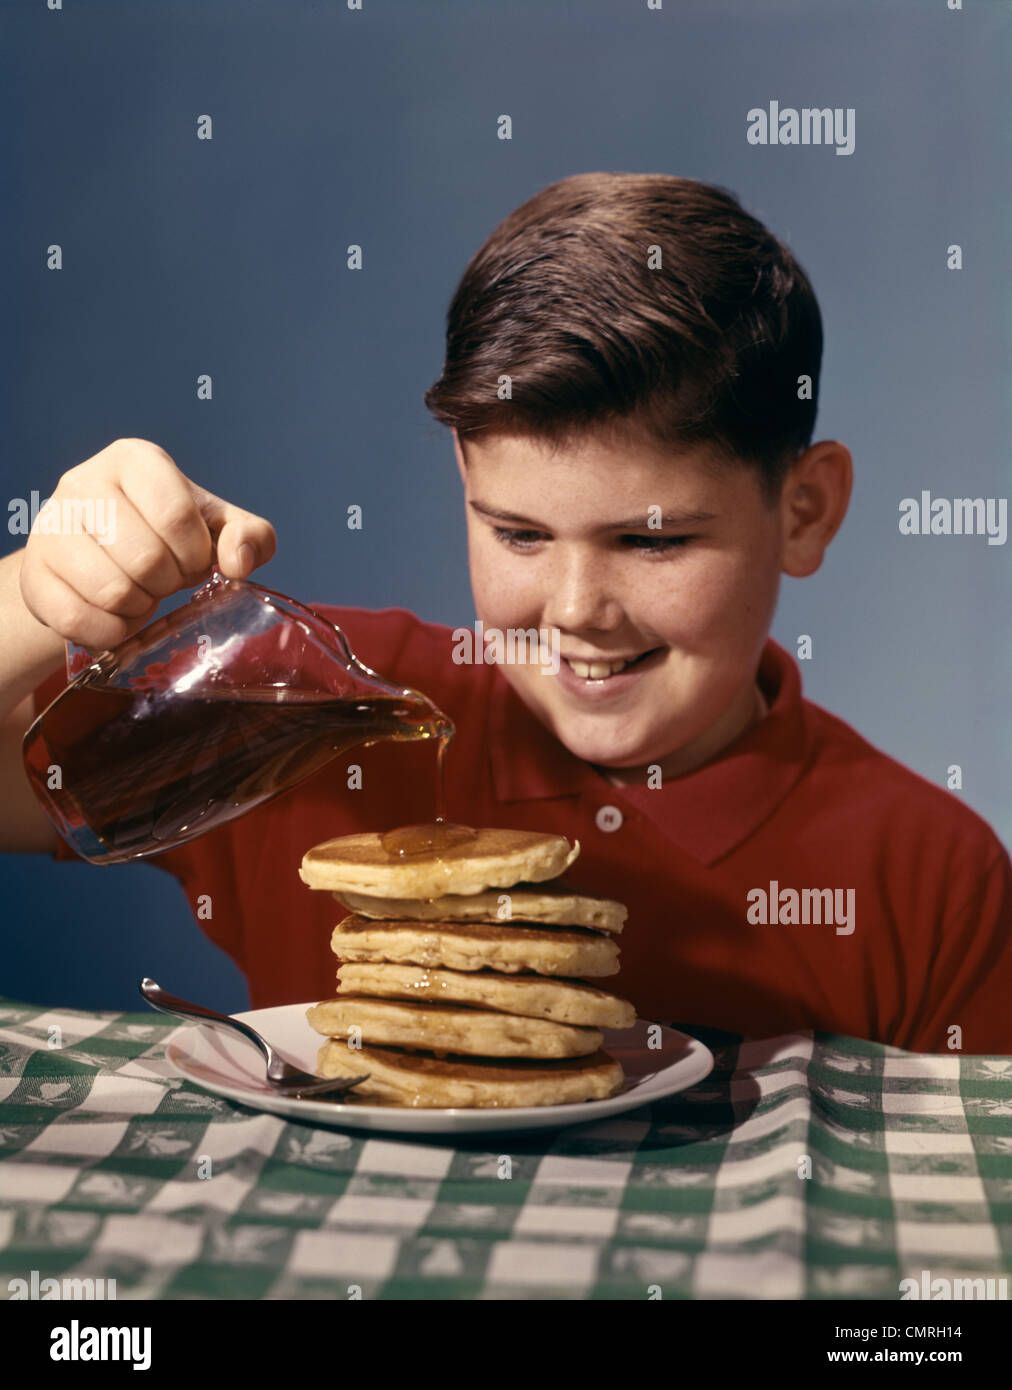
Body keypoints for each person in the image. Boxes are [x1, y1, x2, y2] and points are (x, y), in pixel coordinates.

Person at [2, 172, 1009, 1052]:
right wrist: (41, 597)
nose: (574, 612)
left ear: (804, 510)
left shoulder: (929, 877)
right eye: (520, 535)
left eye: (651, 541)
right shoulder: (320, 713)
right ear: (463, 482)